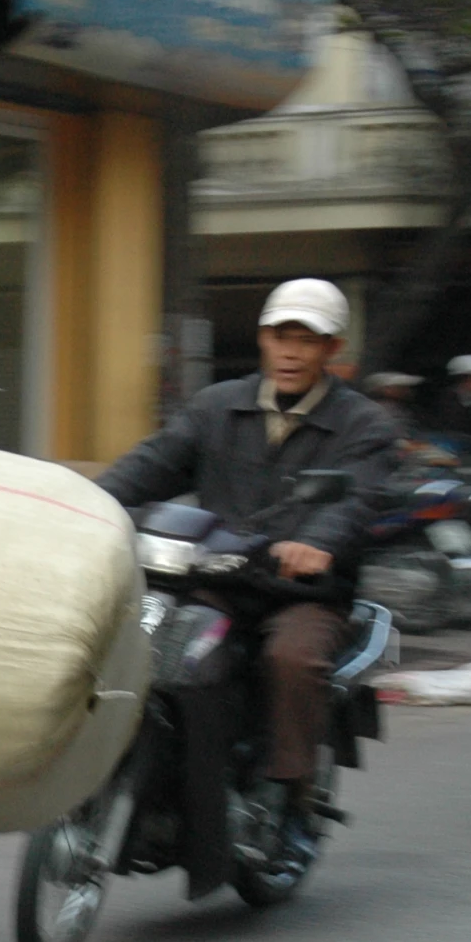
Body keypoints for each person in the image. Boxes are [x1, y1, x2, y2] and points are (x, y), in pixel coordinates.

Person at [97, 277, 395, 860]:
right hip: (215, 578)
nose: (291, 352)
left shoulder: (364, 426)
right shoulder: (216, 407)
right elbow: (151, 465)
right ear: (262, 339)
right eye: (282, 336)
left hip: (303, 590)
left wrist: (316, 544)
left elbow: (354, 500)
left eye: (307, 340)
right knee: (149, 647)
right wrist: (90, 505)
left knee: (291, 656)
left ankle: (291, 795)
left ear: (332, 349)